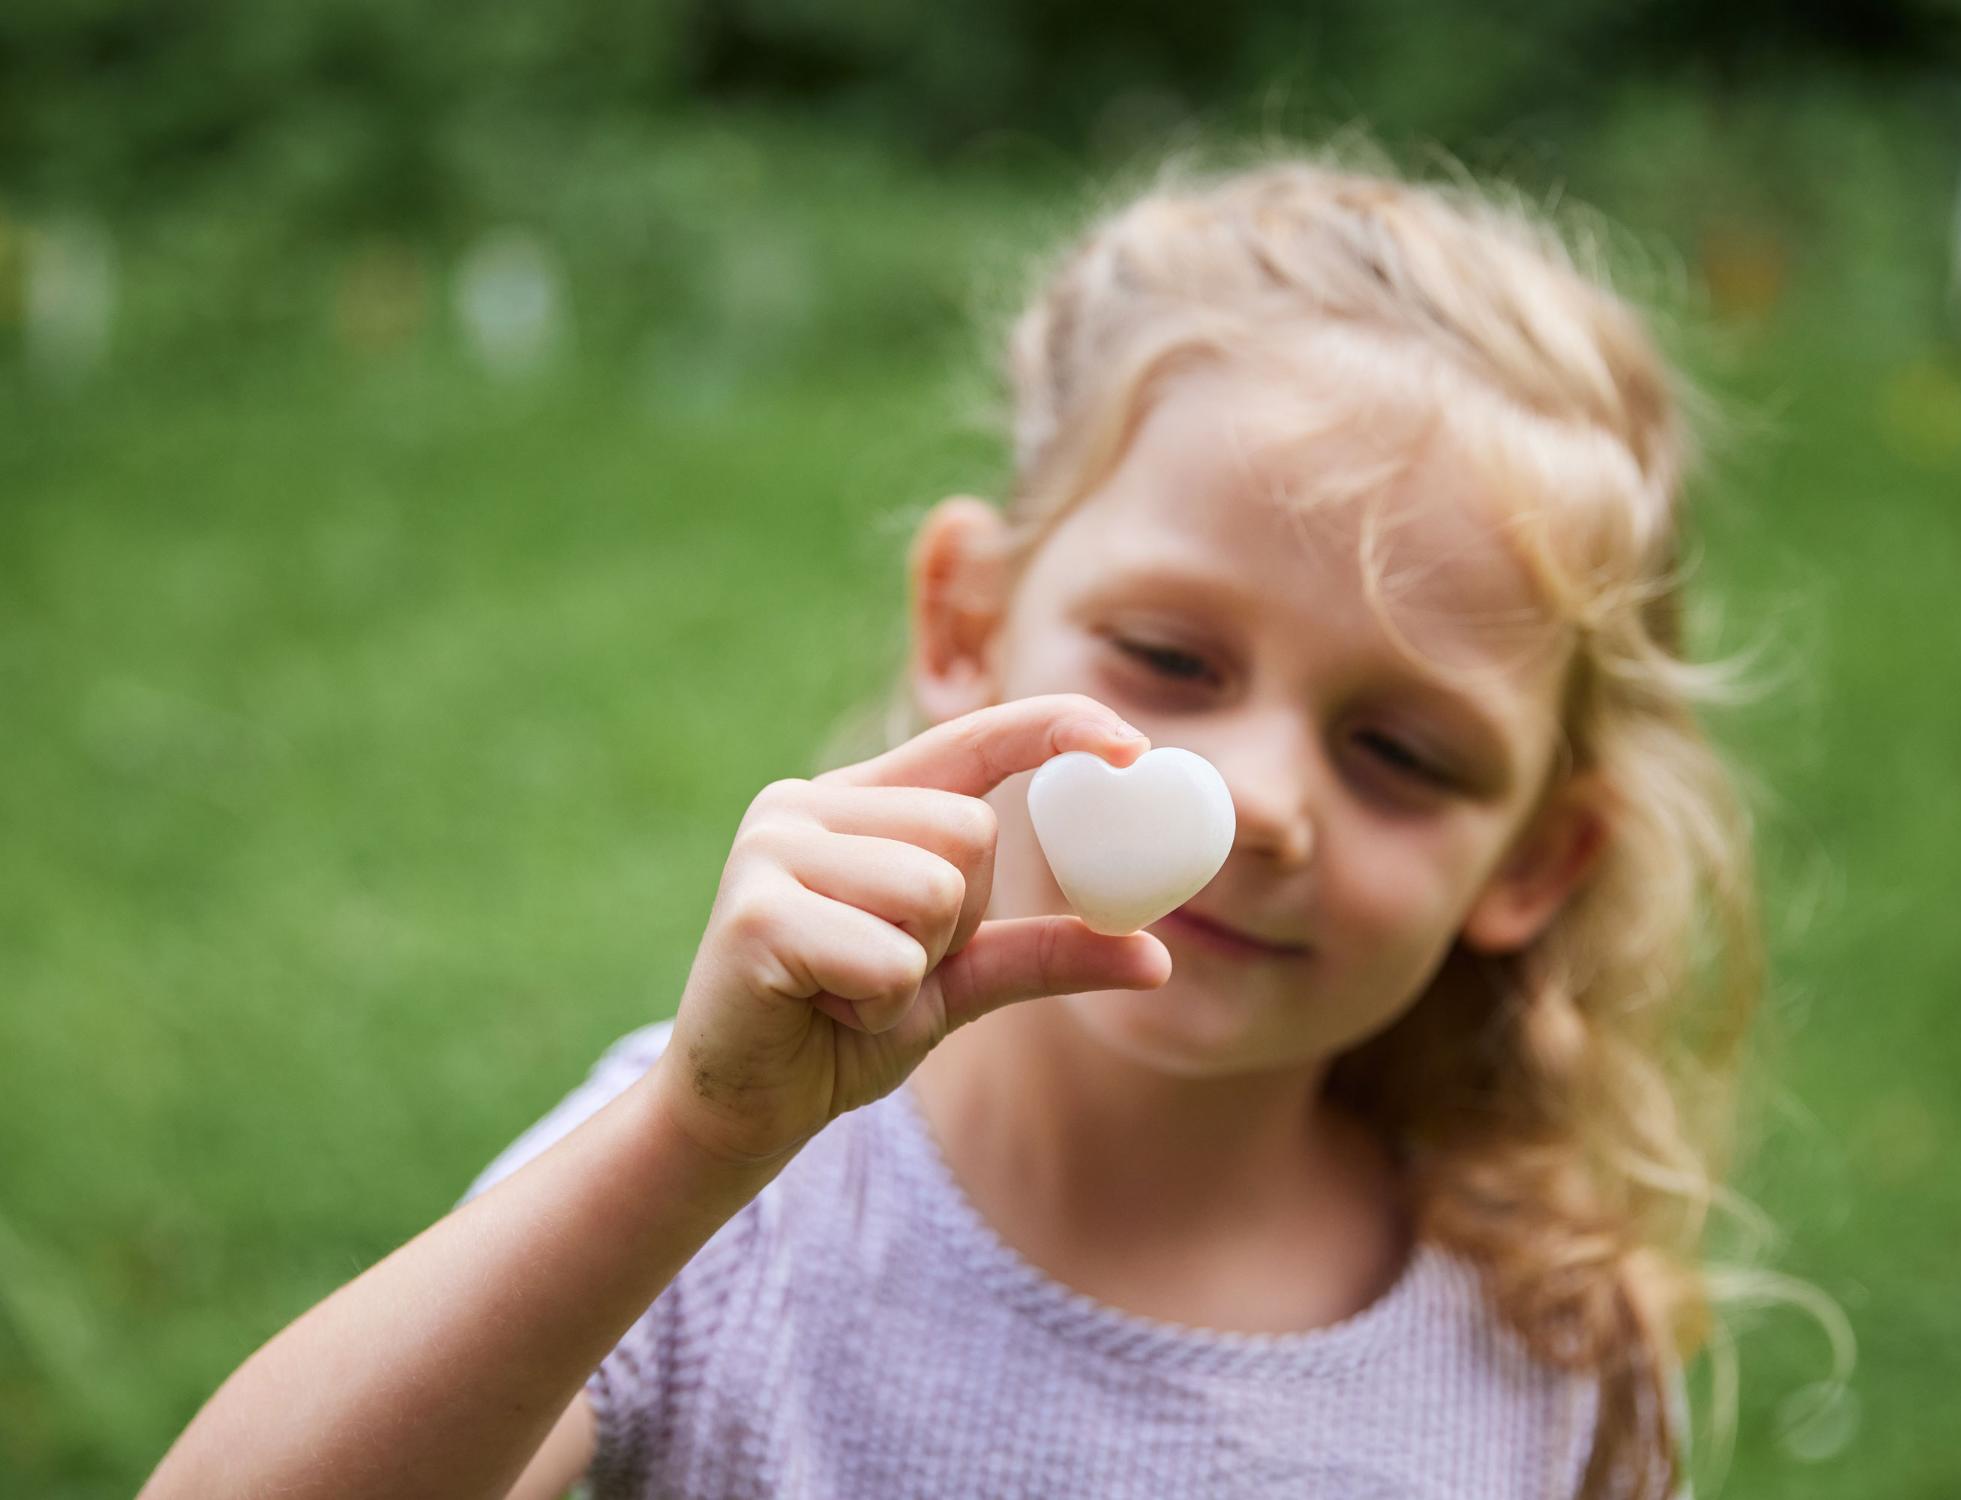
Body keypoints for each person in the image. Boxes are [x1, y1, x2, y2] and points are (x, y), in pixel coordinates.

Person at [143, 148, 1772, 1500]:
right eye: (1170, 660)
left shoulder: (1544, 1347)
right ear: (965, 626)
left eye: (1402, 753)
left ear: (1537, 863)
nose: (1259, 802)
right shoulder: (727, 1193)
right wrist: (691, 1150)